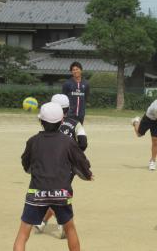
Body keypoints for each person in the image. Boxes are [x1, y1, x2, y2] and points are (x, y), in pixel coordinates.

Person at [13, 102, 92, 251]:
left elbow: (26, 164)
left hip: (36, 192)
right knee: (70, 229)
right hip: (61, 192)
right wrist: (87, 174)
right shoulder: (68, 142)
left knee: (23, 234)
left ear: (40, 121)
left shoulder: (33, 141)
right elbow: (81, 161)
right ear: (62, 121)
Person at [34, 94, 88, 237]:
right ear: (68, 108)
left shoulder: (47, 122)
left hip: (47, 164)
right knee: (59, 193)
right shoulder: (75, 123)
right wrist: (73, 155)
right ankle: (52, 223)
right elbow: (83, 143)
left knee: (53, 193)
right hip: (68, 166)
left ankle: (51, 222)